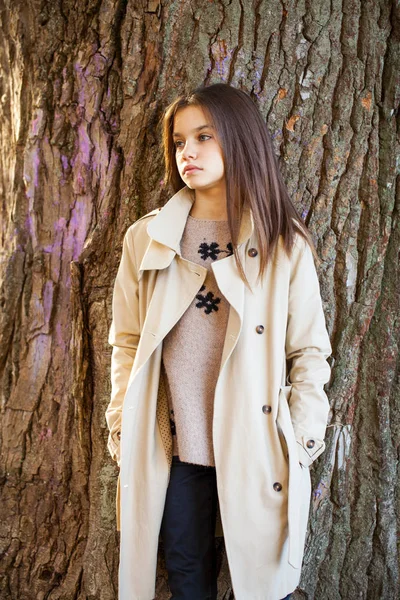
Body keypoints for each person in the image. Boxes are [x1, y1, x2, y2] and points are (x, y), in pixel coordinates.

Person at [105, 82, 332, 600]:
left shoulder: (281, 240)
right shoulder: (148, 238)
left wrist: (299, 441)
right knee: (185, 572)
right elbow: (127, 340)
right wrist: (122, 423)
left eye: (204, 136)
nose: (188, 151)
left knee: (261, 582)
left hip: (256, 448)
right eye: (180, 141)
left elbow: (309, 351)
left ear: (239, 138)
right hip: (176, 448)